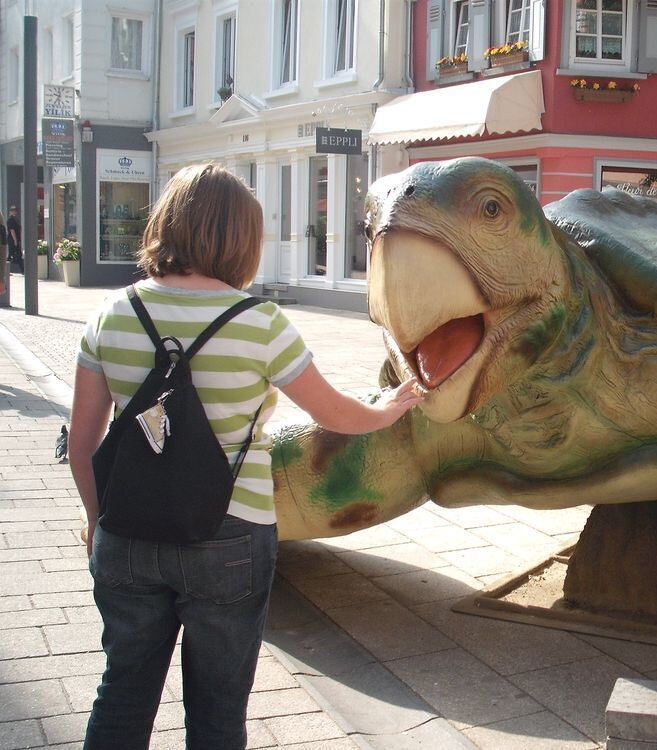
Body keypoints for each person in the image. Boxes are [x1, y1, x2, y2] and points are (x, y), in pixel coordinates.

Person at [67, 163, 423, 750]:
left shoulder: (112, 313)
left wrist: (95, 520)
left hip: (127, 532)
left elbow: (84, 442)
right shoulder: (260, 323)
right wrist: (389, 409)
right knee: (217, 712)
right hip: (232, 536)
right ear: (241, 240)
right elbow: (333, 414)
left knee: (123, 694)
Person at [6, 206, 21, 274]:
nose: (15, 212)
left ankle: (6, 270)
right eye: (13, 211)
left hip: (15, 239)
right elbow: (12, 231)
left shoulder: (15, 219)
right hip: (12, 240)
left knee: (13, 254)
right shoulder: (10, 220)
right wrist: (15, 240)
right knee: (12, 254)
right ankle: (22, 270)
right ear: (10, 212)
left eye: (15, 210)